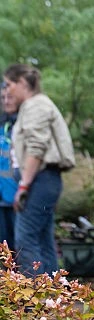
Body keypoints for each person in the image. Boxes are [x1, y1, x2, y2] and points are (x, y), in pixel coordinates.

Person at [4, 64, 76, 276]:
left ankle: (34, 302)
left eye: (9, 85)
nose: (7, 91)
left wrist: (24, 184)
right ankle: (53, 299)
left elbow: (37, 147)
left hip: (40, 180)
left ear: (23, 83)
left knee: (25, 239)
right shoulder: (33, 106)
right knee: (43, 240)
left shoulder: (36, 106)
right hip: (43, 180)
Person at [0, 81, 17, 252]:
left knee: (21, 247)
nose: (6, 101)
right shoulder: (2, 126)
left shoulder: (23, 124)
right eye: (3, 98)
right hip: (3, 198)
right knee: (6, 250)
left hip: (19, 198)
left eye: (9, 97)